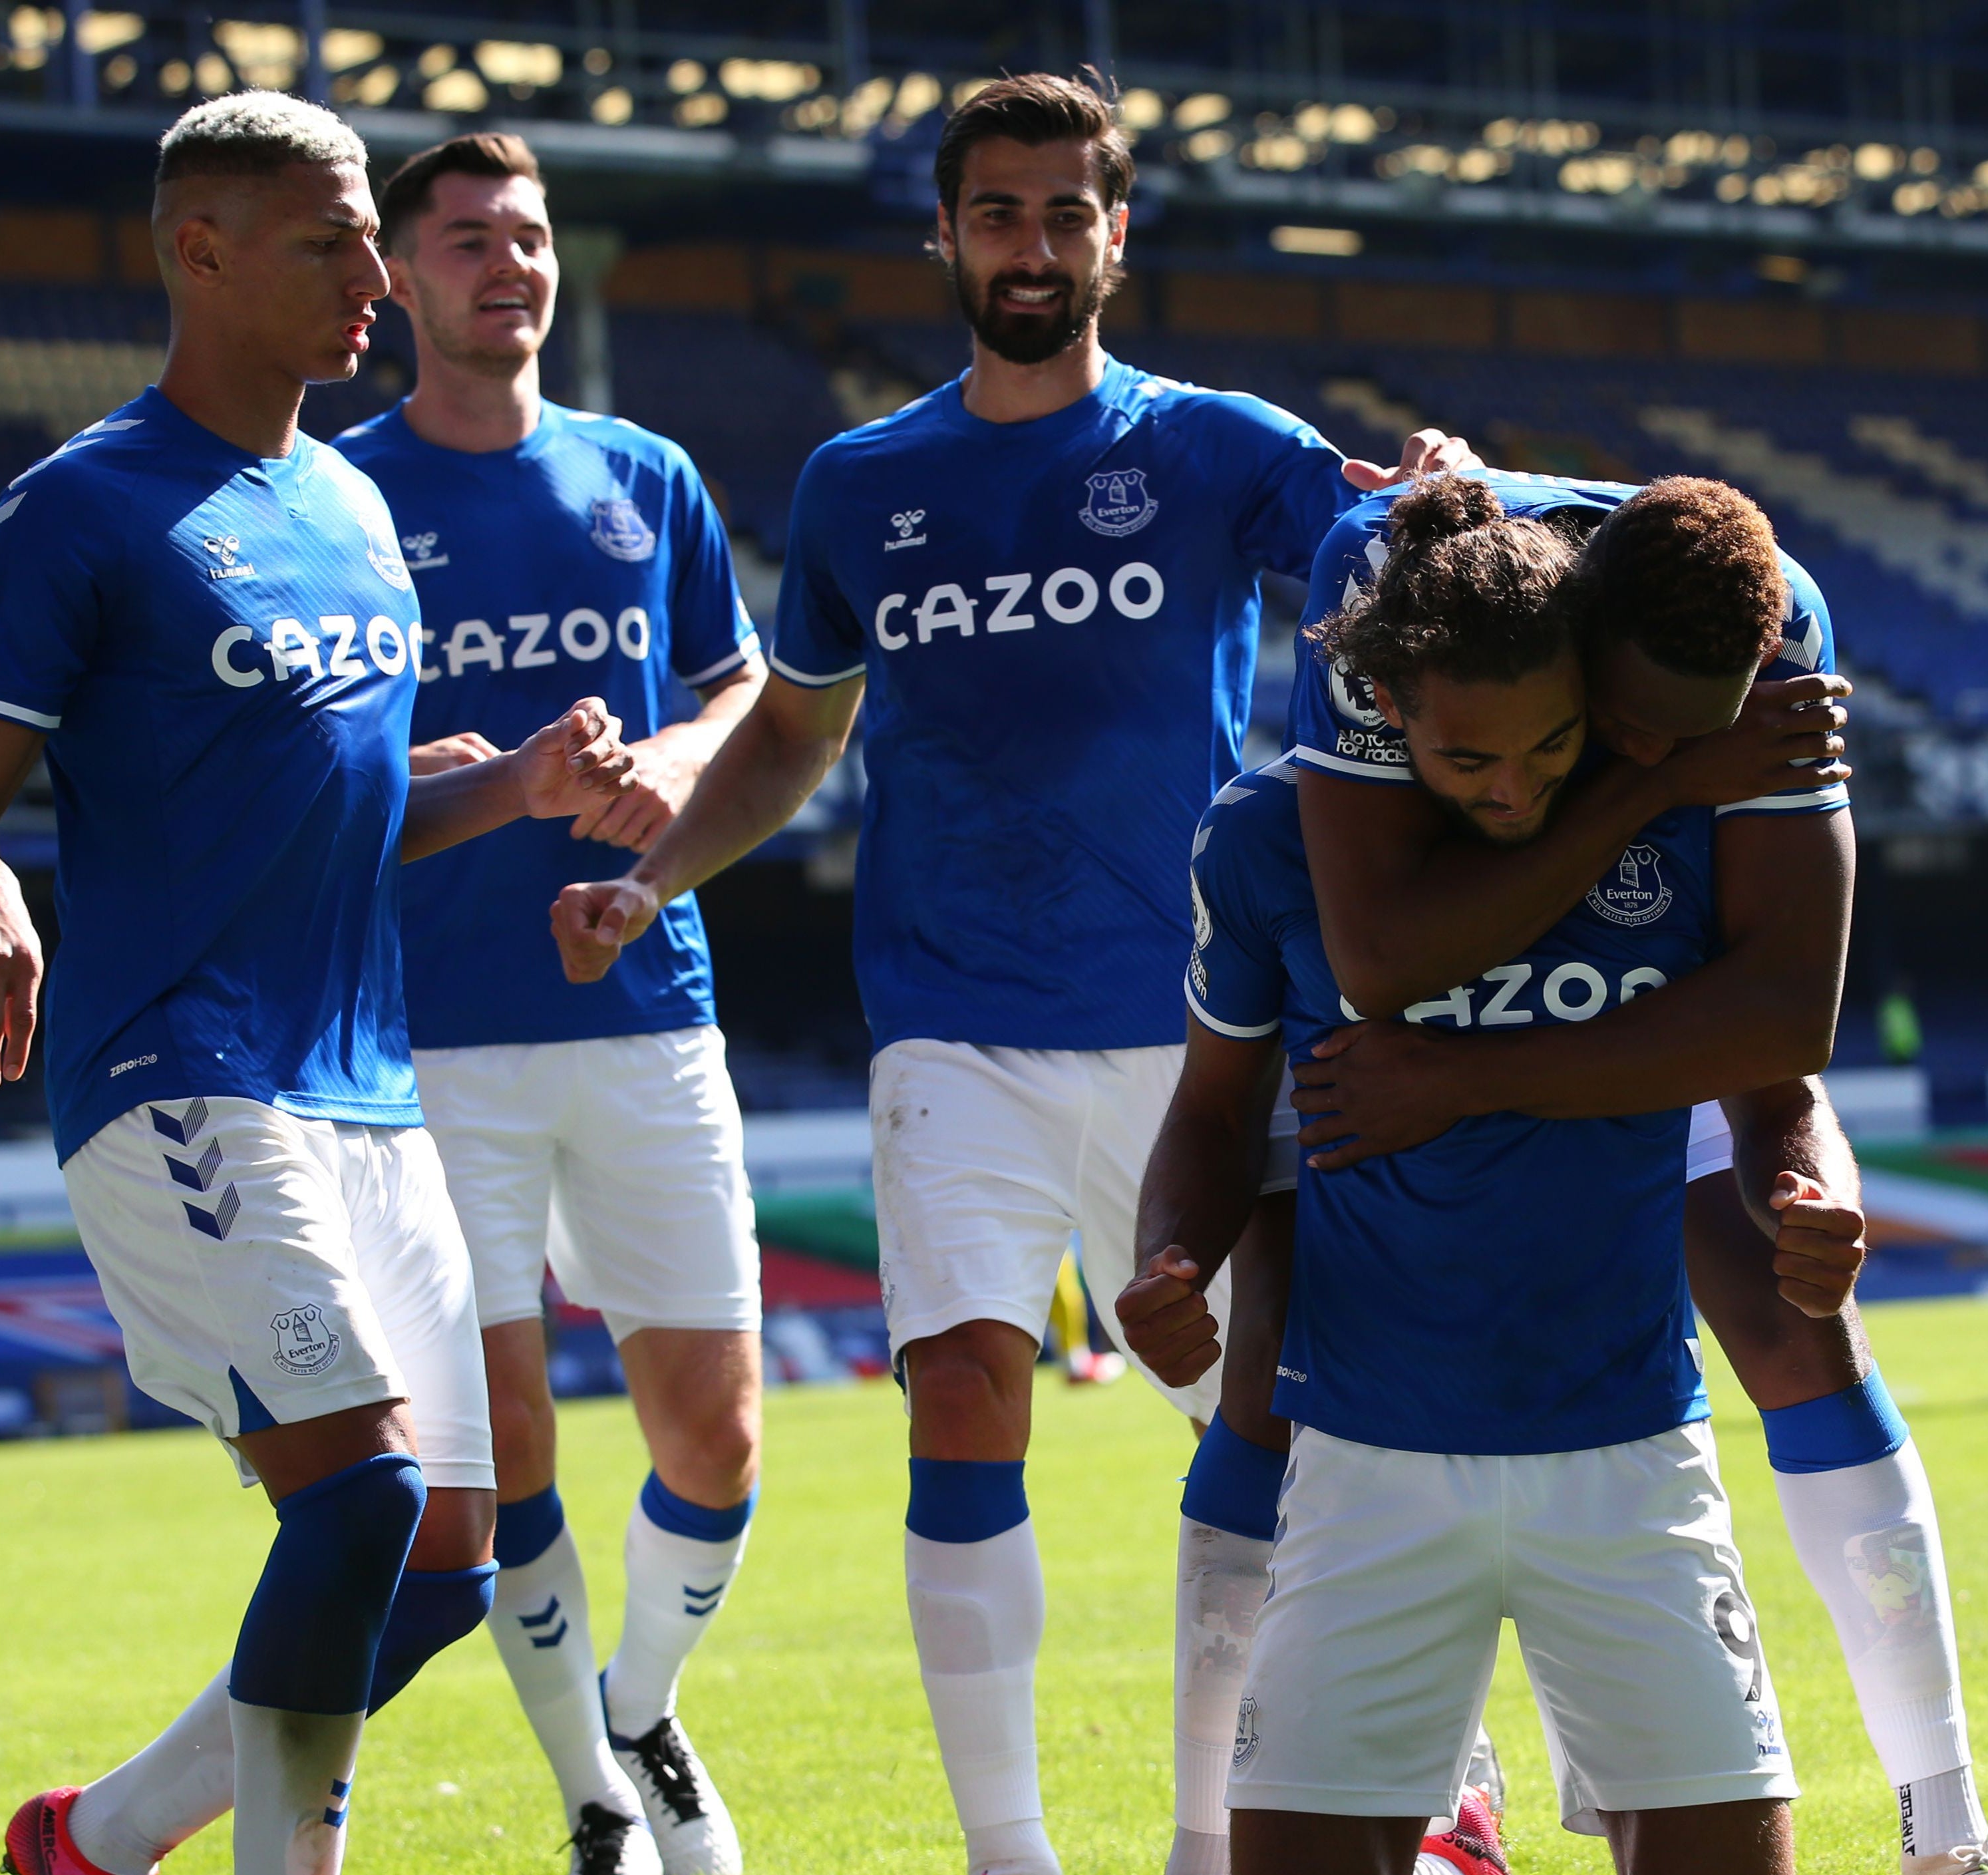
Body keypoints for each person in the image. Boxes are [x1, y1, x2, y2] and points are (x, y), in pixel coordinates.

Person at [547, 69, 1477, 1875]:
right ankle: (1010, 1855)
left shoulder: (1214, 446)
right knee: (964, 1392)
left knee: (1293, 1429)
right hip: (951, 1027)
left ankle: (1291, 1817)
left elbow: (1400, 559)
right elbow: (789, 736)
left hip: (1200, 1030)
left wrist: (1437, 493)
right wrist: (653, 867)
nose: (1033, 244)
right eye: (999, 212)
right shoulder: (859, 487)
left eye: (1067, 212)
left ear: (1115, 236)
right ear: (948, 236)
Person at [0, 94, 637, 1875]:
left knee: (448, 1565)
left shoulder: (356, 509)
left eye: (377, 238)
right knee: (365, 1497)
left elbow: (348, 814)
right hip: (181, 1076)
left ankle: (96, 1839)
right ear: (202, 252)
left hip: (368, 1088)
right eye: (333, 241)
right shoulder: (84, 505)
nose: (376, 275)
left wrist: (512, 789)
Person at [1124, 473, 1988, 1875]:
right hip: (1379, 1440)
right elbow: (1366, 979)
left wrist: (1471, 1071)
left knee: (1798, 1327)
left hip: (1622, 1434)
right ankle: (1271, 1814)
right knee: (1265, 1358)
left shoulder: (1767, 657)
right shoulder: (1336, 704)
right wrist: (1167, 1256)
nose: (1643, 751)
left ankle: (1945, 1824)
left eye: (1658, 738)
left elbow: (1784, 1039)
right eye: (1629, 724)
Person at [333, 130, 766, 1875]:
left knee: (718, 1439)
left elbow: (752, 697)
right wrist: (445, 771)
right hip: (431, 1036)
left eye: (527, 237)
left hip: (646, 1001)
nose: (505, 265)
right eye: (465, 241)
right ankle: (595, 1802)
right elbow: (298, 766)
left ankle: (645, 1705)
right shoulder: (339, 497)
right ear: (404, 281)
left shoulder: (644, 475)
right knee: (499, 1445)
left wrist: (664, 773)